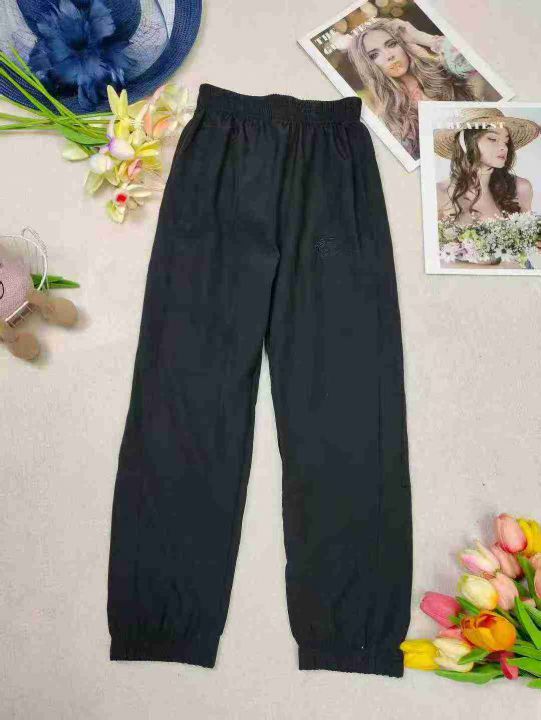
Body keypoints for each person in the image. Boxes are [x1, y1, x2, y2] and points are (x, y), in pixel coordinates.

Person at [347, 18, 490, 159]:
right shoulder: (388, 118)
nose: (389, 56)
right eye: (374, 55)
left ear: (403, 45)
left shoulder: (443, 71)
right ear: (368, 66)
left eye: (392, 44)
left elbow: (477, 59)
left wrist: (420, 37)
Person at [434, 108, 541, 268]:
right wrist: (498, 269)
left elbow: (530, 240)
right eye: (492, 138)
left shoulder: (521, 188)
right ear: (466, 143)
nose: (504, 147)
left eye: (506, 141)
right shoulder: (439, 193)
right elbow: (436, 261)